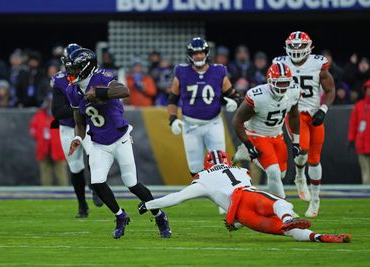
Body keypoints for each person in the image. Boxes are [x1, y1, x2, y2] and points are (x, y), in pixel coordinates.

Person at [65, 47, 171, 239]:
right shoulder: (72, 90)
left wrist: (98, 93)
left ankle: (159, 215)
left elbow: (124, 90)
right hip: (98, 141)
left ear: (86, 67)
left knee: (131, 183)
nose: (70, 73)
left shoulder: (101, 77)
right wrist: (78, 138)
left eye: (74, 69)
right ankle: (120, 216)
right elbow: (79, 121)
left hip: (120, 137)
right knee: (97, 182)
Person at [139, 150, 351, 243]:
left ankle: (318, 237)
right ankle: (298, 225)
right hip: (247, 196)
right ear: (226, 160)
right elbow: (244, 193)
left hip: (243, 217)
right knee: (279, 203)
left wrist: (148, 204)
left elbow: (177, 198)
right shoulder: (241, 172)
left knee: (283, 230)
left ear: (206, 165)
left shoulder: (202, 177)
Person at [273, 31, 336, 217]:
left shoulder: (318, 63)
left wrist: (323, 109)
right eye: (293, 46)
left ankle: (315, 201)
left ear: (309, 47)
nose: (296, 49)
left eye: (300, 45)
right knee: (303, 151)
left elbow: (330, 90)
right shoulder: (280, 64)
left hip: (314, 113)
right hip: (294, 113)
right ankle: (300, 176)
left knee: (315, 159)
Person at [167, 37, 240, 178]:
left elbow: (234, 94)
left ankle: (220, 191)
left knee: (220, 163)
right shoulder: (181, 72)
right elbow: (173, 98)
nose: (198, 56)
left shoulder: (218, 71)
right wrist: (173, 119)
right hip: (190, 125)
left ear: (206, 53)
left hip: (213, 123)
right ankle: (202, 192)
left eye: (200, 52)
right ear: (190, 55)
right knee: (195, 168)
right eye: (195, 53)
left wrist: (235, 102)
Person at [232, 63, 301, 199]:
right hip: (257, 134)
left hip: (277, 136)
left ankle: (247, 155)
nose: (282, 87)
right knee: (273, 173)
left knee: (281, 174)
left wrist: (296, 141)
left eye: (285, 83)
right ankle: (282, 207)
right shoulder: (257, 96)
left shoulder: (293, 91)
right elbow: (237, 121)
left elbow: (294, 115)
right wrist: (249, 144)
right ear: (269, 81)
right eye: (278, 83)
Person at [51, 43, 101, 218]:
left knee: (94, 156)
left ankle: (95, 187)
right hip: (68, 127)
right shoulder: (59, 80)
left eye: (75, 64)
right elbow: (57, 112)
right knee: (75, 166)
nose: (71, 68)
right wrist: (81, 108)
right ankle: (82, 205)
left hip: (88, 125)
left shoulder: (95, 77)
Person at [29, 94, 68, 186]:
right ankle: (46, 194)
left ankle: (64, 194)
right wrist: (40, 135)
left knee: (61, 172)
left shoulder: (61, 114)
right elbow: (32, 129)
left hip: (58, 147)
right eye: (49, 101)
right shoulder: (39, 115)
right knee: (45, 173)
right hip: (44, 147)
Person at [348, 80, 370, 184]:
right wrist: (351, 139)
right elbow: (353, 124)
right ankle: (366, 194)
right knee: (365, 171)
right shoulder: (359, 105)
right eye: (368, 89)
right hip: (361, 143)